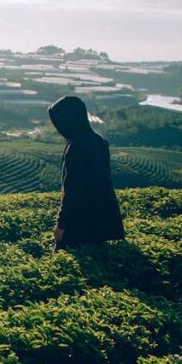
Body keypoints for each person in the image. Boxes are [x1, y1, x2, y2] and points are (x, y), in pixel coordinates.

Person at [47, 96, 125, 251]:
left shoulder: (76, 147)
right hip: (102, 221)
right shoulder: (98, 141)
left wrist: (61, 226)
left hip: (80, 224)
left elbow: (72, 191)